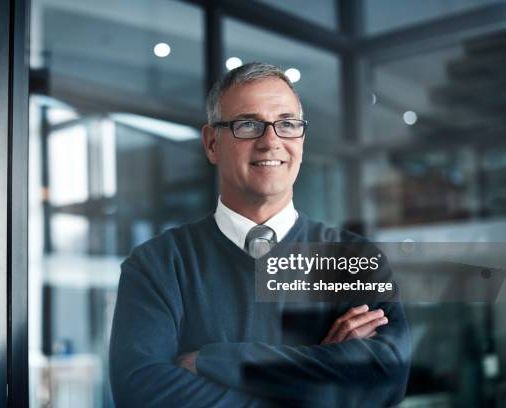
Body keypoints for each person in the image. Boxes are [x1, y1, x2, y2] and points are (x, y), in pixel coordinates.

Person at [109, 62, 410, 407]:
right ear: (211, 144)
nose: (271, 142)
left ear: (301, 139)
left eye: (287, 124)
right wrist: (317, 384)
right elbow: (143, 394)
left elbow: (384, 380)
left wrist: (215, 361)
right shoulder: (157, 265)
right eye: (248, 125)